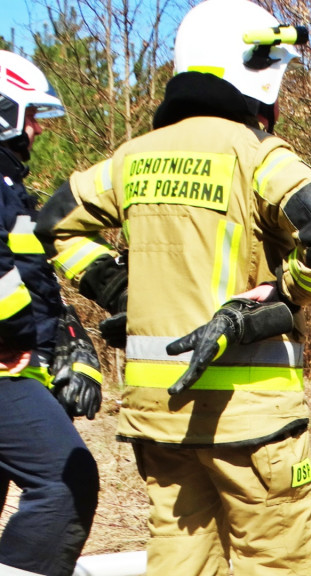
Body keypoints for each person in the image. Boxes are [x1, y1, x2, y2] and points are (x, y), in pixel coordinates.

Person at [35, 1, 311, 574]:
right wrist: (283, 297)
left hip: (157, 419)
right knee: (278, 563)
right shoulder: (254, 154)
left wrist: (117, 289)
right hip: (252, 419)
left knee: (180, 561)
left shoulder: (131, 159)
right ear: (255, 69)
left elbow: (54, 223)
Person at [0, 50, 101, 576]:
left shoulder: (9, 189)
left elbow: (27, 277)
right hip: (3, 370)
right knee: (65, 482)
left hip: (16, 364)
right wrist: (17, 342)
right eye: (30, 114)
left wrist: (66, 336)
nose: (37, 128)